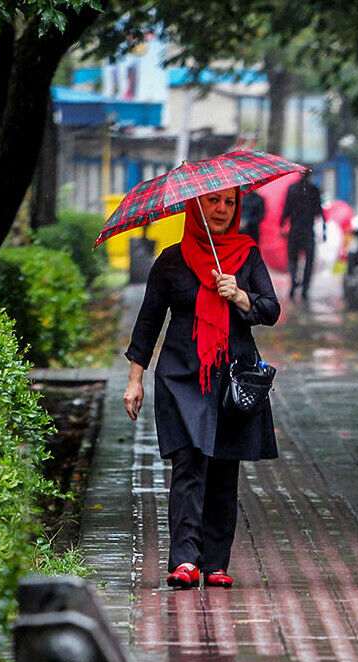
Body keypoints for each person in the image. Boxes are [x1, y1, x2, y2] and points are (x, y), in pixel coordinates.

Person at [123, 187, 280, 589]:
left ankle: (215, 563)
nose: (222, 210)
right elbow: (148, 321)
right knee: (188, 465)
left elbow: (271, 310)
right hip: (181, 376)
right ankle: (185, 561)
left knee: (225, 469)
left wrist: (241, 296)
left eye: (229, 203)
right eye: (213, 202)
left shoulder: (247, 255)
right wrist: (135, 379)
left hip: (232, 378)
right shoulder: (172, 260)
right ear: (196, 205)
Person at [281, 175, 324, 300]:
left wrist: (281, 224)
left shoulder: (291, 189)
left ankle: (294, 283)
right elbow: (318, 211)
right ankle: (305, 289)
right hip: (308, 230)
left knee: (292, 259)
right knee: (309, 260)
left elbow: (286, 210)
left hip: (294, 230)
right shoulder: (314, 190)